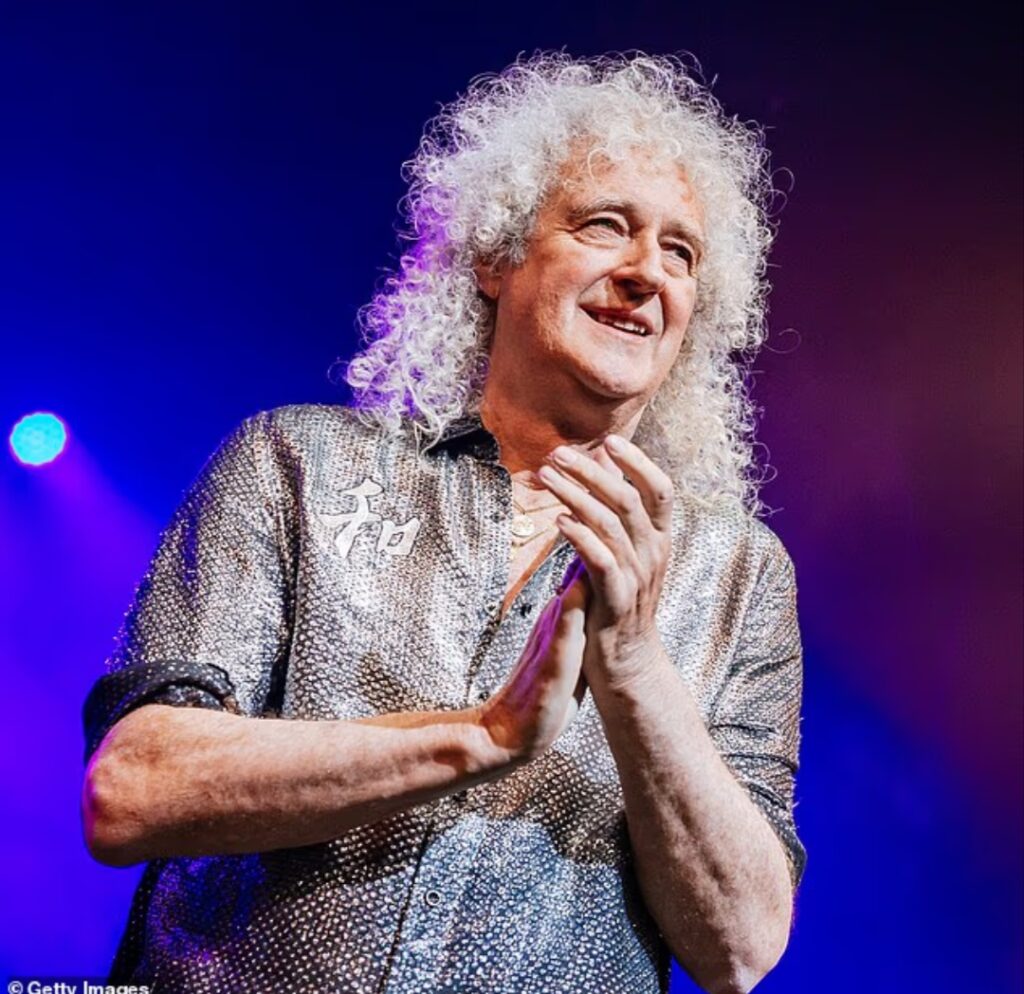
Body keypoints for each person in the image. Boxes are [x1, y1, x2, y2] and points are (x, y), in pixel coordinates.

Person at [81, 52, 806, 994]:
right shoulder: (298, 464)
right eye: (604, 226)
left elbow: (742, 947)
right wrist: (484, 736)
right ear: (496, 258)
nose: (645, 272)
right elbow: (133, 791)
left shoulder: (739, 570)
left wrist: (633, 667)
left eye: (681, 253)